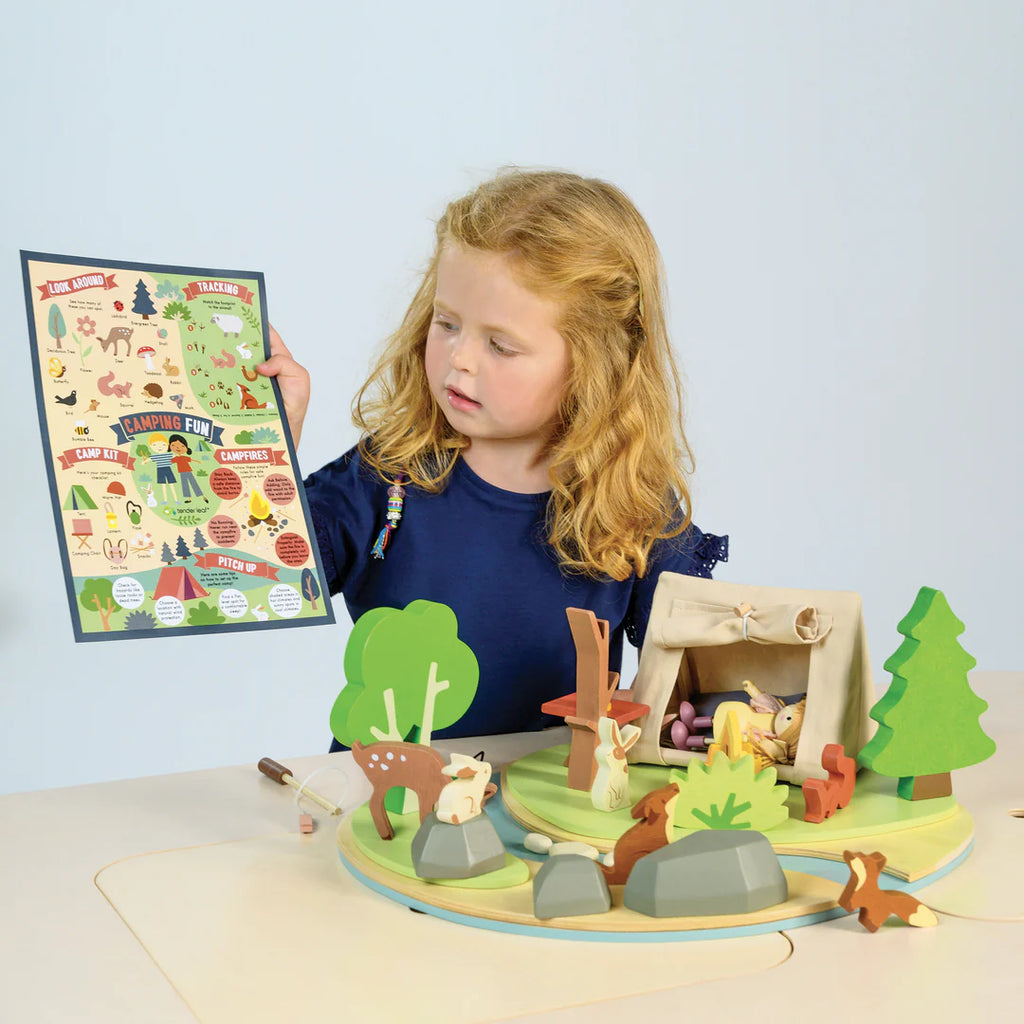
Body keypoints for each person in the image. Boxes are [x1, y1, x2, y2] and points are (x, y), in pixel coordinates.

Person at [259, 169, 727, 740]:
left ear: (595, 366)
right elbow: (263, 578)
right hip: (384, 807)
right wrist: (266, 440)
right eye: (446, 323)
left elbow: (703, 672)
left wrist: (663, 707)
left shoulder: (631, 508)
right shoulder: (388, 476)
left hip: (549, 816)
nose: (460, 360)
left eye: (500, 345)